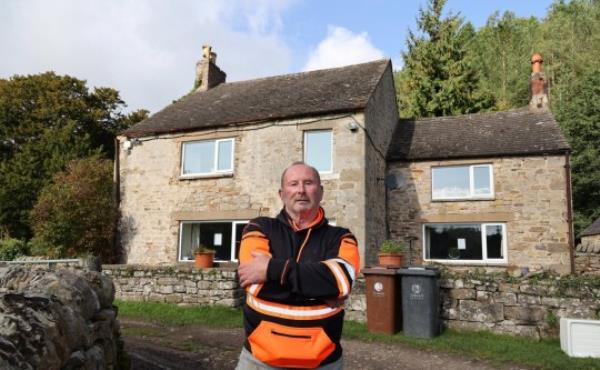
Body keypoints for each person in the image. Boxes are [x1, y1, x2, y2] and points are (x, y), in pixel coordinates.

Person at [236, 162, 360, 370]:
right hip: (259, 361)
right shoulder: (259, 227)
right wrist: (319, 287)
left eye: (308, 183)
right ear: (282, 193)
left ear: (320, 192)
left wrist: (272, 269)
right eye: (293, 184)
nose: (301, 190)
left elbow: (340, 282)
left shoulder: (341, 237)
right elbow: (254, 284)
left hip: (323, 362)